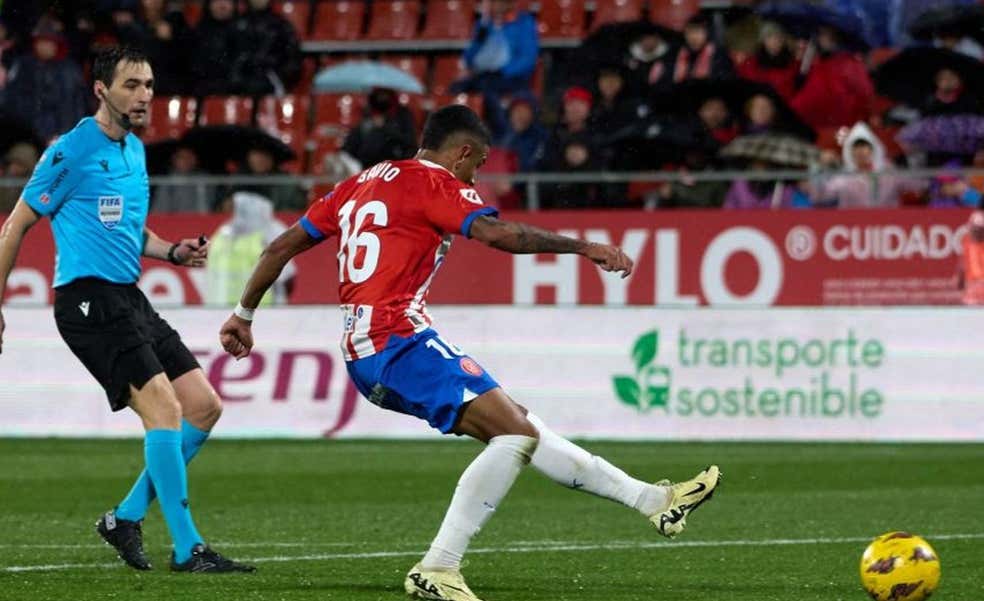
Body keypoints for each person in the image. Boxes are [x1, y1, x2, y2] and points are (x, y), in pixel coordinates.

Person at [218, 104, 721, 601]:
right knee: (515, 434)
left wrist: (243, 314)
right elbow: (499, 234)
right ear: (461, 154)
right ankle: (438, 567)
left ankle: (653, 500)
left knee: (521, 426)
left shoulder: (359, 184)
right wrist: (582, 247)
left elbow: (279, 247)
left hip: (374, 344)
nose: (477, 179)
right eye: (478, 165)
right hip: (395, 340)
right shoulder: (435, 183)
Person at [0, 46, 252, 573]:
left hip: (129, 297)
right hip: (87, 299)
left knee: (203, 407)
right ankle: (189, 549)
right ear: (102, 90)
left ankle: (126, 517)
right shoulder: (70, 151)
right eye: (132, 85)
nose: (144, 96)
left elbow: (129, 230)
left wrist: (174, 252)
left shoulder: (135, 151)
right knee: (163, 409)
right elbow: (16, 225)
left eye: (150, 86)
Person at [207, 191, 296, 305]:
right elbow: (287, 279)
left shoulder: (220, 235)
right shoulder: (269, 234)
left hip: (218, 307)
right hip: (259, 308)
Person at [957, 210, 984, 305]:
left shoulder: (967, 241)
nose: (975, 231)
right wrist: (960, 280)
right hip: (972, 287)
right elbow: (962, 264)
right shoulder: (966, 241)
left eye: (978, 229)